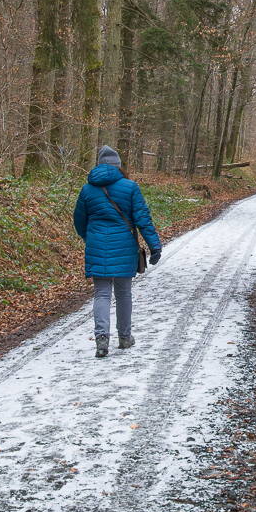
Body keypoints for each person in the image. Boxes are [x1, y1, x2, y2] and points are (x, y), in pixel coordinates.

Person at [73, 145, 162, 358]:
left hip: (96, 246)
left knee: (101, 294)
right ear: (118, 166)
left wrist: (90, 238)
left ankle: (101, 340)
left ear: (99, 165)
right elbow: (143, 220)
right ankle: (124, 337)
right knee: (123, 293)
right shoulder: (130, 187)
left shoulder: (87, 189)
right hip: (124, 247)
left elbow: (79, 220)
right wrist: (154, 246)